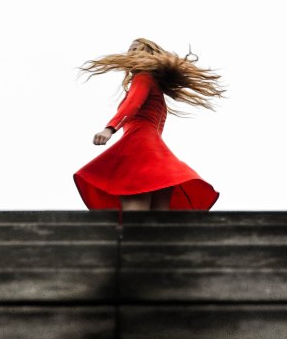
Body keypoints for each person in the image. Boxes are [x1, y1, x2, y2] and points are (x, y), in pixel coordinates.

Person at [73, 38, 225, 212]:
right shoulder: (156, 88)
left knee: (135, 222)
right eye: (129, 50)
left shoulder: (143, 77)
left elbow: (133, 104)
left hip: (138, 150)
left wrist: (110, 128)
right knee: (157, 223)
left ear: (148, 53)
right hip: (159, 157)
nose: (130, 54)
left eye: (135, 49)